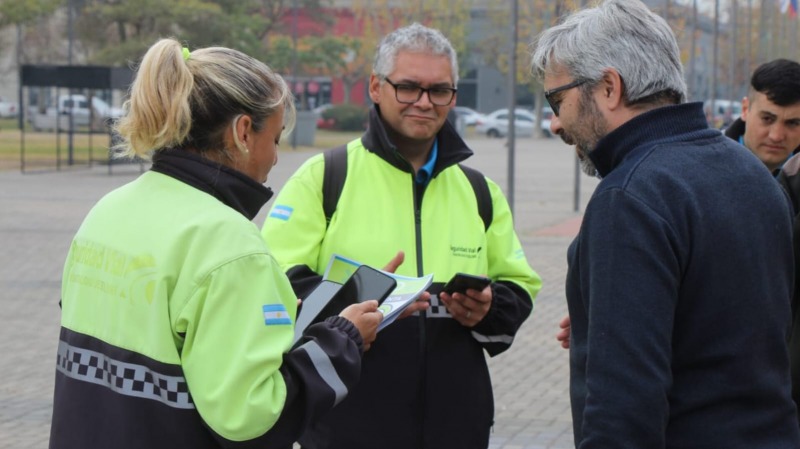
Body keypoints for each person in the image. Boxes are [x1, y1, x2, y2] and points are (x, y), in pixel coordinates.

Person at [49, 38, 384, 449]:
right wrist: (342, 339)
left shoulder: (108, 211)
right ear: (243, 131)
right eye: (276, 139)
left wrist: (253, 314)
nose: (276, 158)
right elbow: (252, 420)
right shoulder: (230, 244)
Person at [531, 0, 800, 447]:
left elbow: (624, 409)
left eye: (558, 100)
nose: (557, 123)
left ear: (610, 87)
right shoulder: (751, 173)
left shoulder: (631, 196)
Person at [261, 23, 541, 449]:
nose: (424, 102)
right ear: (375, 87)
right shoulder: (324, 177)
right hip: (346, 425)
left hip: (457, 426)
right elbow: (275, 285)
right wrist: (365, 299)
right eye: (408, 87)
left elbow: (520, 287)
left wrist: (486, 308)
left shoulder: (480, 191)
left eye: (439, 90)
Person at [724, 58, 800, 175]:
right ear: (745, 109)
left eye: (792, 123)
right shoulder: (704, 166)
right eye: (767, 119)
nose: (776, 136)